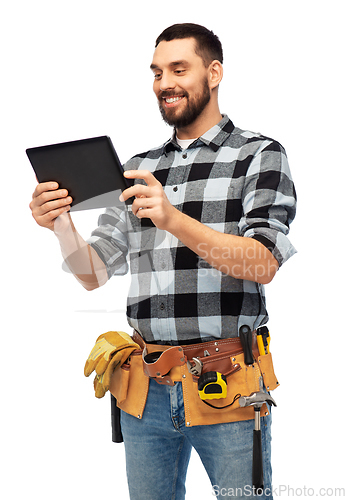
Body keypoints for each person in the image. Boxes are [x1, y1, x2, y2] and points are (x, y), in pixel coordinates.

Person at [30, 23, 296, 500]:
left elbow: (263, 264)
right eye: (157, 72)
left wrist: (174, 219)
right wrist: (62, 226)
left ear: (213, 73)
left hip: (228, 385)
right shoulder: (138, 166)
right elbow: (92, 274)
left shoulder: (258, 155)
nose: (165, 83)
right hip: (146, 389)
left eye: (179, 69)